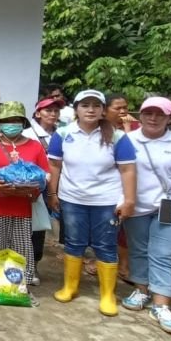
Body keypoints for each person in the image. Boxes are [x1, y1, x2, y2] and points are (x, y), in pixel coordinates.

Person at [47, 89, 137, 316]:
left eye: (96, 105)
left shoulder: (117, 136)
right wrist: (53, 194)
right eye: (85, 105)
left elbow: (127, 169)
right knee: (74, 243)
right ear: (76, 109)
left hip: (105, 201)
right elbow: (55, 166)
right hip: (72, 199)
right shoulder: (63, 133)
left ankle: (108, 295)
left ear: (103, 110)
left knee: (105, 245)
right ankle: (70, 287)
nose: (90, 109)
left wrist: (128, 200)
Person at [121, 97, 171, 335]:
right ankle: (141, 290)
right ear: (140, 115)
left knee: (164, 253)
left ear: (170, 118)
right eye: (148, 113)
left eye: (160, 114)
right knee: (138, 248)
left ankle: (161, 305)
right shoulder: (126, 140)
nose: (153, 118)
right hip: (136, 205)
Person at [0, 102, 50, 305]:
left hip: (23, 206)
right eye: (7, 121)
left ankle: (21, 286)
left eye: (16, 120)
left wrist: (34, 188)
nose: (11, 124)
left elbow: (46, 174)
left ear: (23, 123)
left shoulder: (34, 146)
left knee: (22, 246)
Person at [22, 96, 65, 281]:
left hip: (55, 185)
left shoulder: (63, 133)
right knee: (25, 227)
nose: (52, 114)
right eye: (48, 110)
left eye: (56, 111)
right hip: (31, 188)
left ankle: (33, 265)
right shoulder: (27, 134)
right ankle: (19, 264)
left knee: (39, 228)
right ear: (38, 113)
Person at [105, 93, 138, 281]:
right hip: (109, 188)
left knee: (126, 230)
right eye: (118, 108)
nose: (123, 111)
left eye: (125, 107)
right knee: (110, 229)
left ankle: (125, 265)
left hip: (129, 187)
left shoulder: (135, 129)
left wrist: (127, 128)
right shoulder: (100, 130)